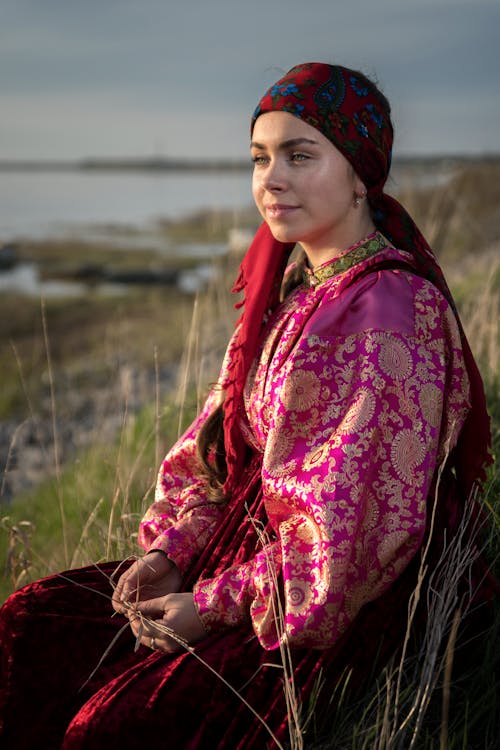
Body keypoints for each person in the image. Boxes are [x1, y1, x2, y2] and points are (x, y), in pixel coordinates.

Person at [0, 62, 494, 749]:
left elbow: (345, 544)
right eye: (260, 158)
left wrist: (205, 606)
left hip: (327, 605)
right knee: (29, 625)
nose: (271, 179)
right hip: (247, 560)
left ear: (361, 173)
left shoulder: (390, 310)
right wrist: (172, 552)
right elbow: (212, 452)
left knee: (109, 727)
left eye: (300, 155)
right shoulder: (296, 286)